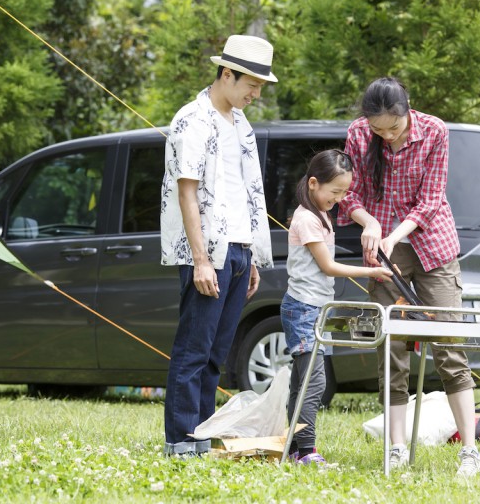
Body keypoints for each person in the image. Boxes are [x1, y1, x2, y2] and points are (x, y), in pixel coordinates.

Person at [337, 77, 480, 477]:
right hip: (381, 249)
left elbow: (431, 200)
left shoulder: (435, 131)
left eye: (393, 128)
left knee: (449, 345)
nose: (386, 136)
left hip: (431, 248)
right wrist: (367, 222)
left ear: (407, 112)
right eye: (377, 130)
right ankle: (397, 447)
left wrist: (391, 235)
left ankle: (469, 450)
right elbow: (349, 195)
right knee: (392, 348)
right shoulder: (357, 134)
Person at [160, 34, 277, 457]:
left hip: (240, 250)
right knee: (193, 348)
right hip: (208, 253)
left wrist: (252, 258)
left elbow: (245, 194)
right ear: (226, 74)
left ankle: (201, 437)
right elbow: (187, 193)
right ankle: (180, 440)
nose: (256, 93)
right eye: (252, 84)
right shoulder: (192, 119)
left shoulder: (241, 125)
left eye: (261, 87)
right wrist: (201, 260)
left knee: (216, 353)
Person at [282, 149, 392, 465]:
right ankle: (306, 451)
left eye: (345, 192)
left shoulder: (320, 215)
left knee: (302, 383)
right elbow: (328, 267)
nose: (340, 198)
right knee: (313, 383)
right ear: (314, 183)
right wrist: (370, 271)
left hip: (317, 309)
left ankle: (294, 449)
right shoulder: (306, 218)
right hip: (304, 309)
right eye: (335, 192)